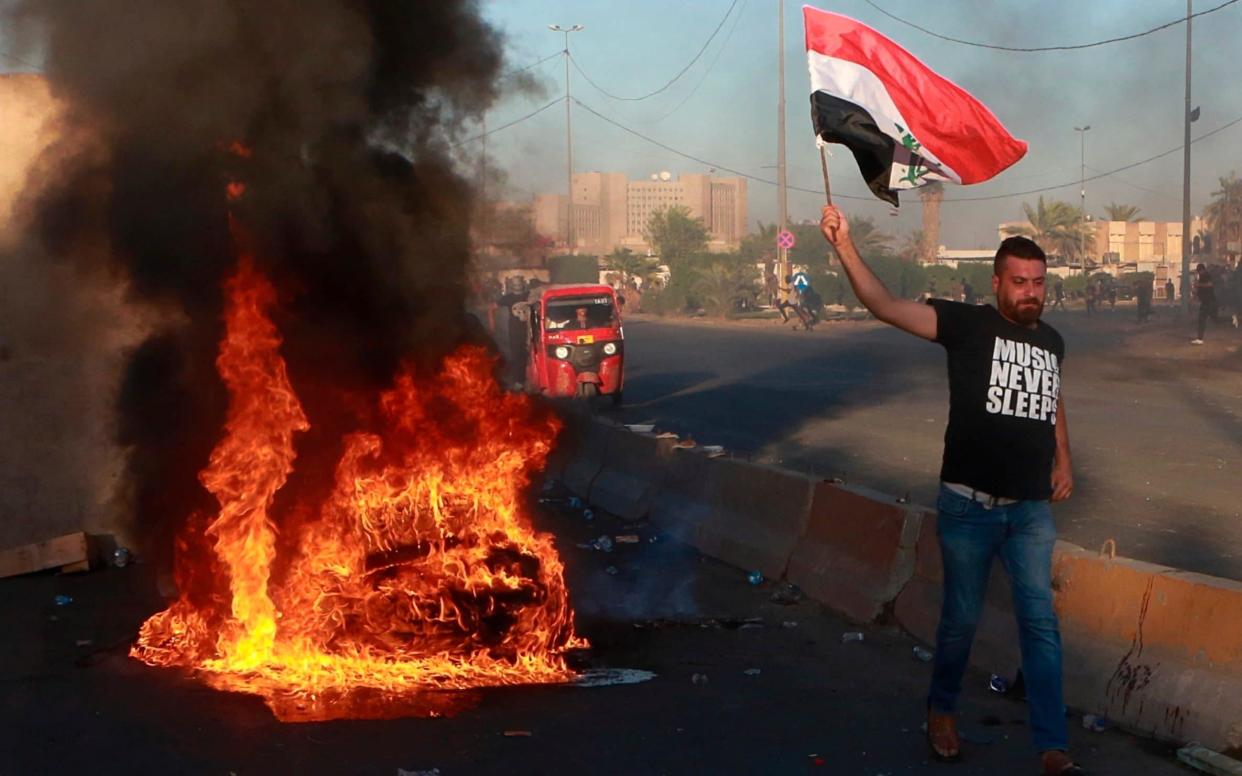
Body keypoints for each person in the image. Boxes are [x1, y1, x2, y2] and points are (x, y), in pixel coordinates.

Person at [819, 205, 1080, 776]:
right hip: (968, 507)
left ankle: (1052, 746)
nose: (1030, 293)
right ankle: (941, 710)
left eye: (1038, 283)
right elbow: (884, 306)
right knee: (960, 620)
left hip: (1029, 510)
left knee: (1039, 621)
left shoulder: (1053, 341)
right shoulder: (967, 326)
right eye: (1019, 282)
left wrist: (1064, 459)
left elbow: (1051, 398)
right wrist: (844, 247)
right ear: (997, 282)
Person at [1192, 263, 1217, 345]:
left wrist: (1198, 284)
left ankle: (1200, 338)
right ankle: (1233, 319)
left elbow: (1209, 284)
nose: (1198, 273)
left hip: (1208, 301)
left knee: (1202, 319)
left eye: (1199, 271)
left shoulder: (1206, 275)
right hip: (1207, 301)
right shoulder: (1203, 276)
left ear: (1202, 270)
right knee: (1212, 318)